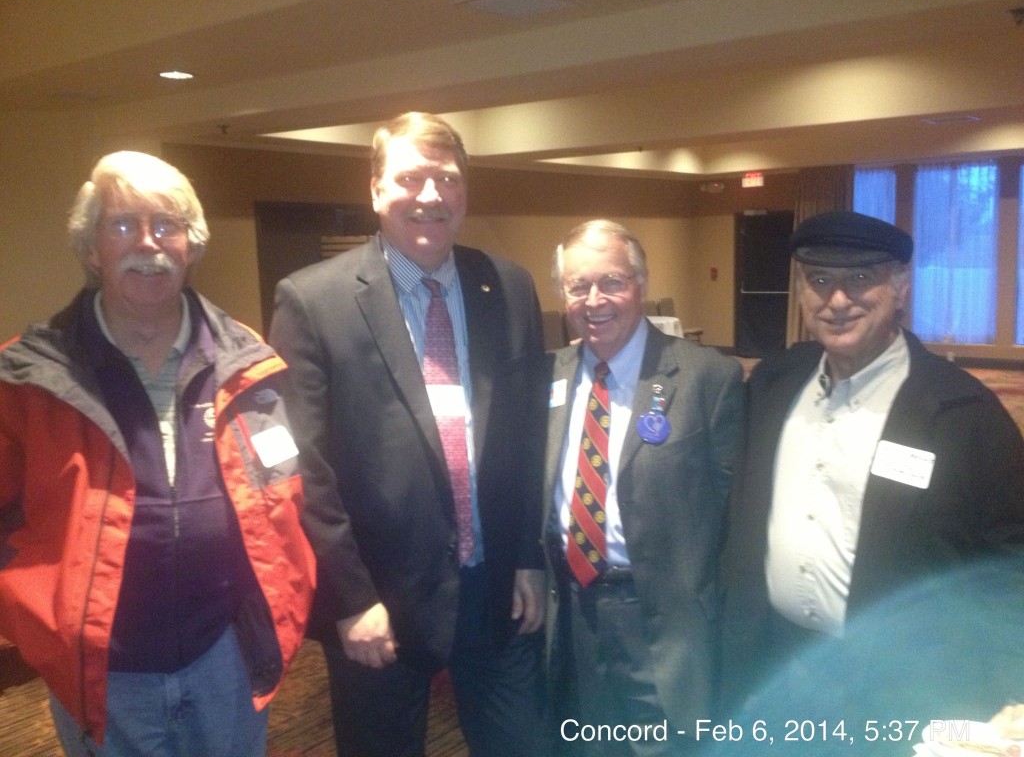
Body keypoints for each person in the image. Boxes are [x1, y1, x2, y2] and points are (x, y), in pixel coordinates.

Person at [0, 151, 316, 757]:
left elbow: (284, 490)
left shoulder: (249, 366)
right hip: (103, 672)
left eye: (166, 225)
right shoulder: (30, 378)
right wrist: (41, 619)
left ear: (191, 247)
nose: (148, 243)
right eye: (123, 225)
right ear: (92, 248)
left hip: (226, 656)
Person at [269, 111, 549, 756]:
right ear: (375, 190)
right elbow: (306, 471)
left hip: (497, 587)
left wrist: (529, 555)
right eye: (411, 178)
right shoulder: (313, 301)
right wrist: (348, 599)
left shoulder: (507, 285)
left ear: (464, 192)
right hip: (381, 602)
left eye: (446, 179)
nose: (430, 196)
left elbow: (527, 436)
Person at [720, 210, 1024, 717]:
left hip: (902, 682)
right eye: (820, 280)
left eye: (860, 279)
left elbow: (1010, 561)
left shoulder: (961, 412)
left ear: (900, 287)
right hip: (776, 665)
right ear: (801, 291)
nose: (838, 300)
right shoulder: (773, 384)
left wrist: (1000, 685)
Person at [544, 220, 744, 756]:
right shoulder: (550, 376)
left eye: (611, 281)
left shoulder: (706, 378)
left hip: (661, 619)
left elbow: (733, 512)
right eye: (578, 286)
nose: (595, 300)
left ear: (641, 283)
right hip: (572, 614)